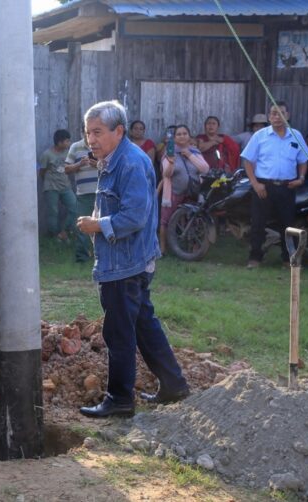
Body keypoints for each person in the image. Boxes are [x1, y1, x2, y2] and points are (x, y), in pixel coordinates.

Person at [76, 100, 189, 419]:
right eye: (87, 133)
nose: (91, 140)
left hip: (125, 265)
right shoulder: (113, 159)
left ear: (119, 131)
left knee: (119, 332)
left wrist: (97, 225)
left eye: (97, 132)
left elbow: (135, 216)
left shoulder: (130, 163)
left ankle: (120, 399)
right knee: (143, 325)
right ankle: (174, 385)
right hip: (127, 261)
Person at [242, 101, 308, 269]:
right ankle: (255, 258)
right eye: (273, 113)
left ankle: (288, 259)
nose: (277, 117)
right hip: (263, 186)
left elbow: (303, 160)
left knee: (287, 224)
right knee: (258, 223)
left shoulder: (296, 136)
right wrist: (255, 183)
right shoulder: (260, 136)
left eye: (281, 113)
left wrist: (301, 178)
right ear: (269, 116)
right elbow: (247, 160)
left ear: (288, 116)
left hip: (287, 187)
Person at [159, 125, 210, 254]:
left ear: (189, 136)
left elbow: (205, 169)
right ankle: (162, 248)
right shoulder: (169, 153)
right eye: (179, 134)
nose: (182, 136)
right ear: (174, 138)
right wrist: (171, 162)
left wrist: (189, 155)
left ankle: (193, 247)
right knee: (165, 220)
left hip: (192, 192)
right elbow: (166, 174)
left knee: (194, 219)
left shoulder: (194, 152)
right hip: (173, 192)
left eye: (185, 133)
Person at [64, 128, 96, 262]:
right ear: (83, 132)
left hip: (103, 192)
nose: (90, 135)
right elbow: (66, 169)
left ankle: (102, 257)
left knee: (103, 225)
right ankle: (82, 258)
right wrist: (80, 164)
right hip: (83, 193)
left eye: (94, 131)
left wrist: (97, 164)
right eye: (87, 132)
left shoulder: (103, 144)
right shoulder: (76, 147)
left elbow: (112, 166)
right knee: (81, 226)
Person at [39, 129, 77, 242]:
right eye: (67, 141)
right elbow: (42, 171)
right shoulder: (47, 154)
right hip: (51, 187)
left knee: (74, 207)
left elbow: (70, 168)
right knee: (53, 212)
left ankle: (63, 232)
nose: (69, 143)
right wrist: (48, 182)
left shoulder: (68, 153)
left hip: (66, 186)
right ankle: (54, 237)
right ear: (59, 142)